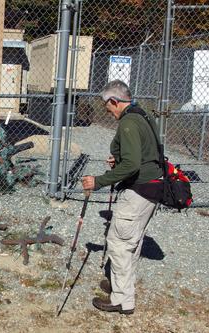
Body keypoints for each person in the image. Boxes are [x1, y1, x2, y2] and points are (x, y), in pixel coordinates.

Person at [82, 80, 162, 315]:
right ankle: (121, 287)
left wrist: (98, 181)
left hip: (138, 192)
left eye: (108, 106)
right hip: (151, 189)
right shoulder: (142, 115)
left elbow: (132, 163)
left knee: (119, 244)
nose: (108, 111)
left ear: (114, 101)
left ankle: (121, 300)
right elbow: (144, 153)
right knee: (132, 243)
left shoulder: (127, 123)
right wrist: (120, 161)